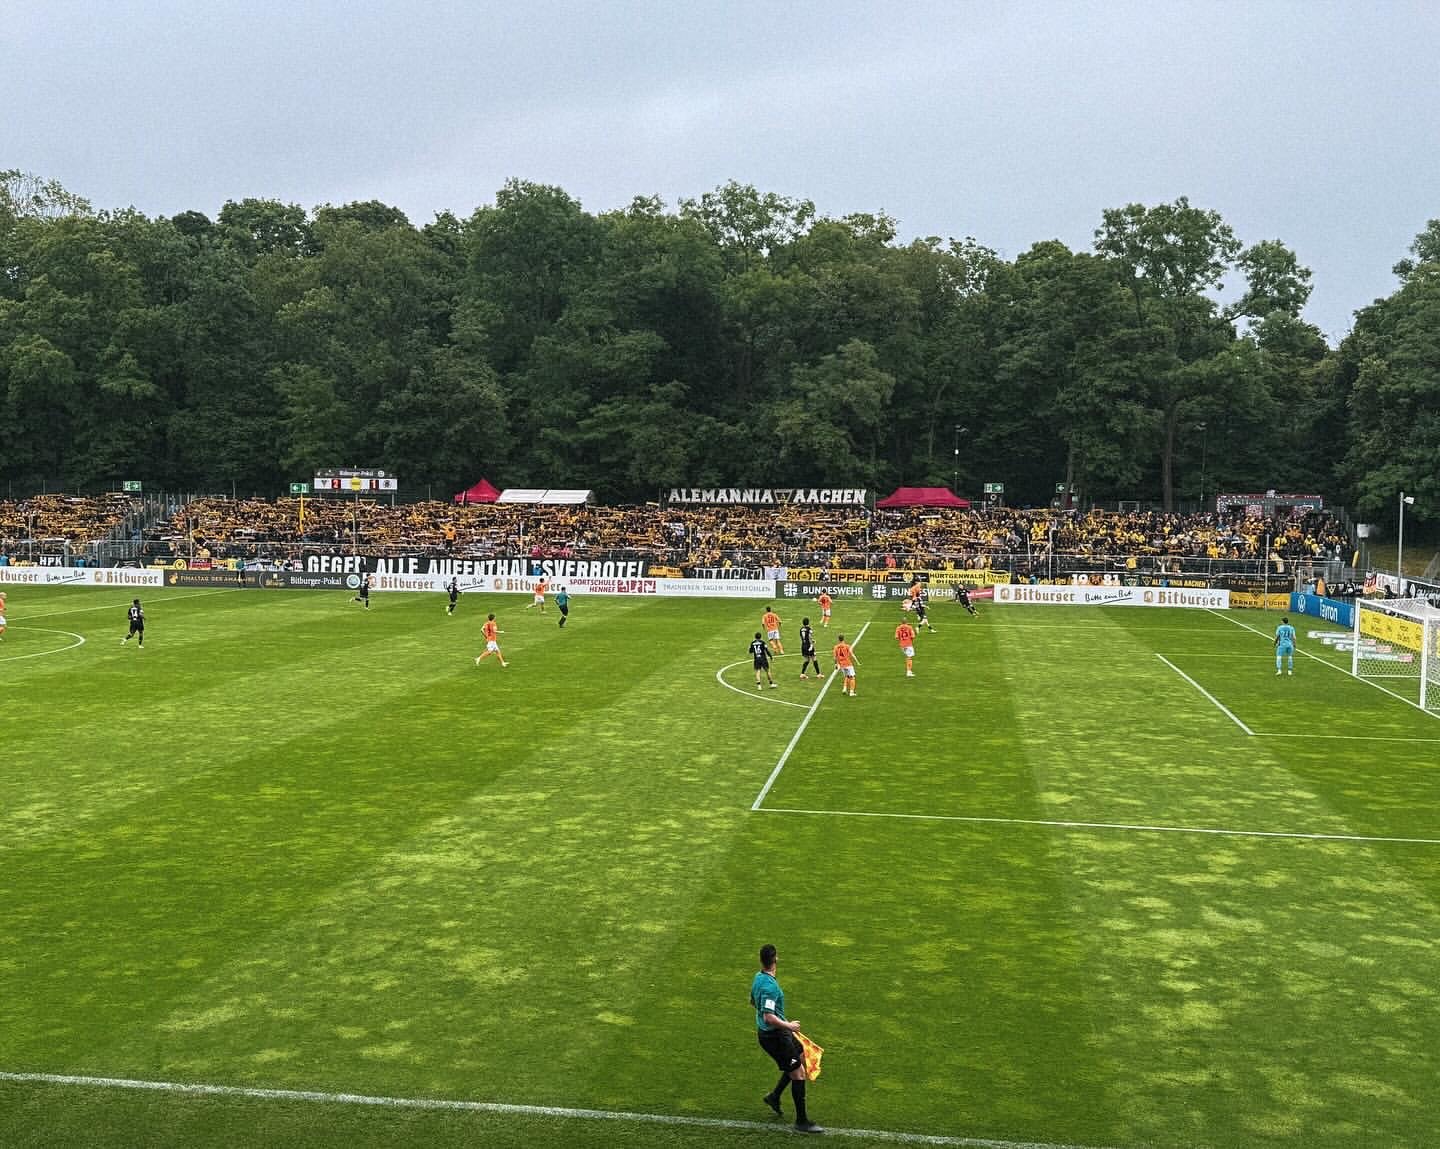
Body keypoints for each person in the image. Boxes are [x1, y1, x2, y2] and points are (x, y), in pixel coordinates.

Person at [751, 944, 822, 1134]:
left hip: (776, 1033)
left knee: (798, 1057)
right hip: (775, 1037)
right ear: (776, 960)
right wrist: (788, 1025)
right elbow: (768, 1016)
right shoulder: (769, 987)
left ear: (761, 960)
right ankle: (802, 1122)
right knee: (798, 1074)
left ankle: (774, 1096)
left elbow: (753, 1002)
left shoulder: (758, 978)